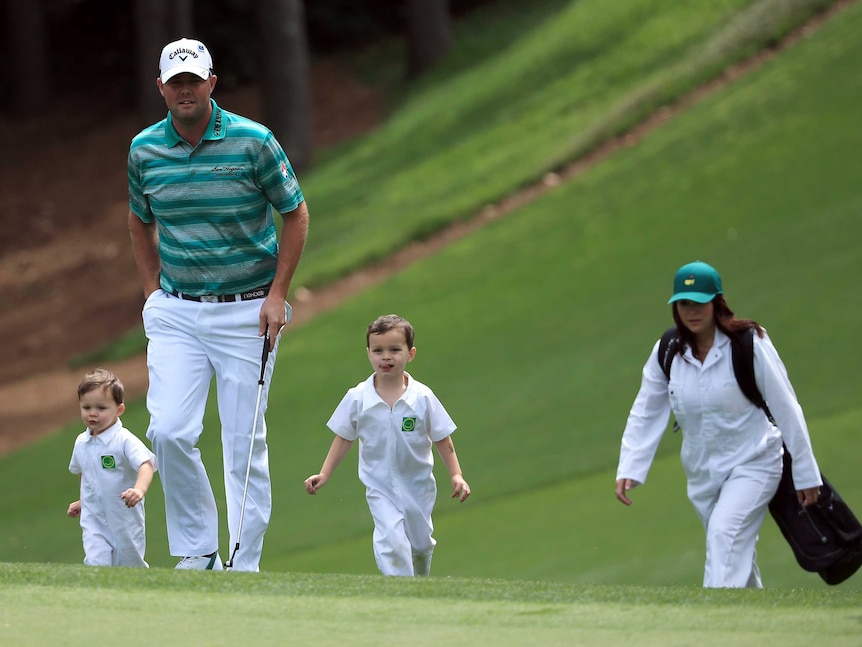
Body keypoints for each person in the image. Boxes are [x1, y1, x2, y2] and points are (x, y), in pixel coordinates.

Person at [127, 38, 309, 572]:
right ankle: (199, 550)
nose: (185, 89)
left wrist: (278, 295)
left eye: (194, 80)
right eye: (175, 81)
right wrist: (151, 292)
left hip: (248, 312)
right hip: (177, 311)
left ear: (212, 82)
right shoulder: (144, 149)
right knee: (168, 431)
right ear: (161, 87)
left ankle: (242, 562)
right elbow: (140, 219)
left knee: (243, 443)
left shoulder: (254, 141)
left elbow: (294, 213)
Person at [614, 260, 822, 588]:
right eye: (684, 303)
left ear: (717, 302)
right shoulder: (667, 351)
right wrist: (630, 465)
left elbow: (786, 407)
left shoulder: (750, 343)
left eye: (700, 302)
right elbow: (646, 409)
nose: (692, 310)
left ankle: (713, 627)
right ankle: (755, 627)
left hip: (754, 461)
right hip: (701, 474)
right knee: (733, 552)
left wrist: (805, 472)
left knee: (724, 538)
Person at [304, 314, 471, 576]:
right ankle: (400, 594)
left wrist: (456, 475)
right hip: (379, 485)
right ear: (368, 353)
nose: (386, 357)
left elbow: (442, 438)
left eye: (395, 350)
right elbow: (344, 436)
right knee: (391, 541)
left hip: (417, 486)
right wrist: (324, 474)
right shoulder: (358, 398)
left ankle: (418, 586)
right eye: (378, 350)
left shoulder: (422, 397)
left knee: (420, 546)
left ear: (410, 353)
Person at [68, 369, 157, 568]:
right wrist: (84, 499)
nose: (92, 413)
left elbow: (146, 464)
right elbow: (85, 470)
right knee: (96, 561)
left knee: (128, 565)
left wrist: (139, 490)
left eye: (101, 408)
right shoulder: (81, 442)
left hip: (124, 517)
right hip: (94, 518)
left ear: (119, 410)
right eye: (86, 407)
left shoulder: (123, 440)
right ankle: (98, 597)